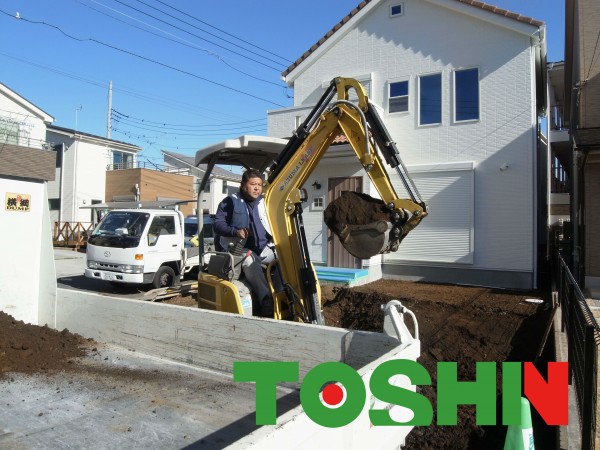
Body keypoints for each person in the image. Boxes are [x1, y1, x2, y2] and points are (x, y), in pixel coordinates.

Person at [213, 169, 276, 317]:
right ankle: (265, 301)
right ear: (243, 185)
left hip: (263, 248)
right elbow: (217, 225)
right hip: (238, 250)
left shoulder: (264, 202)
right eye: (253, 184)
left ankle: (285, 294)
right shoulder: (230, 201)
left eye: (260, 185)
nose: (257, 188)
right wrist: (235, 231)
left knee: (284, 257)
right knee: (251, 261)